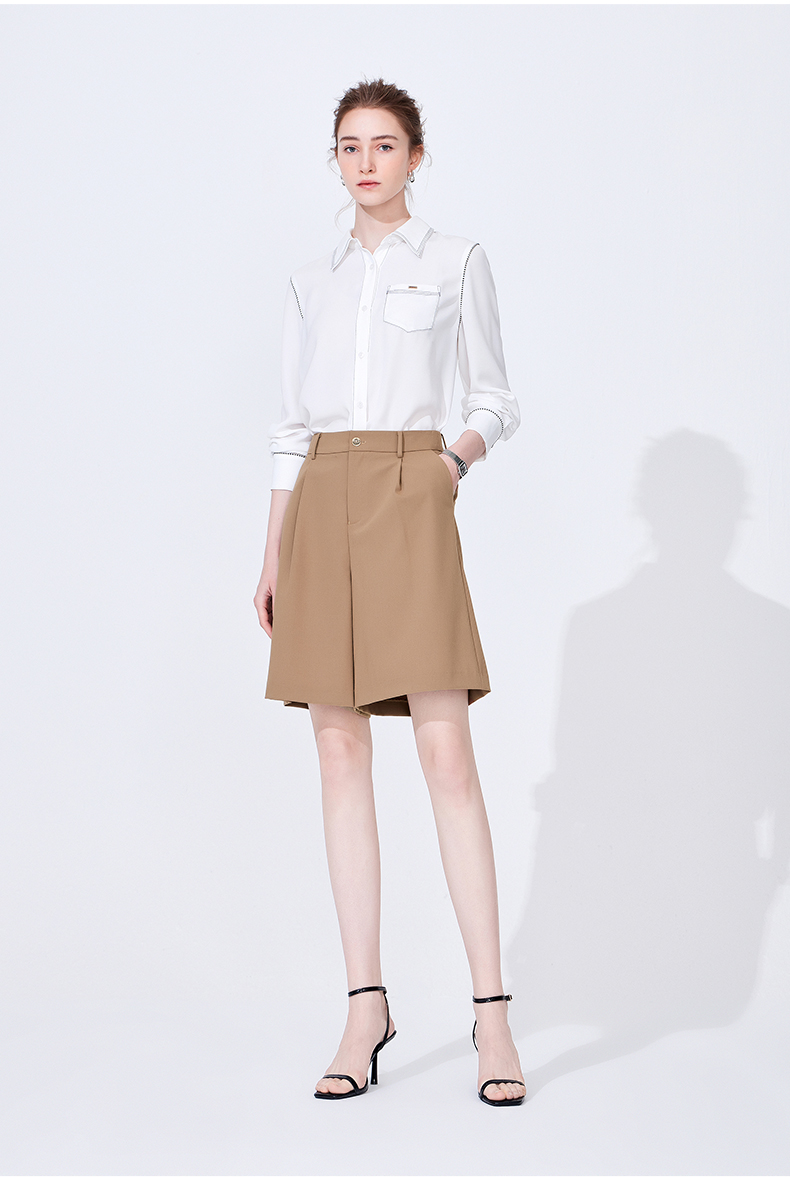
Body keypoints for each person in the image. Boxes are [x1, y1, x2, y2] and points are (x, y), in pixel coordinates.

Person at [253, 78, 526, 1106]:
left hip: (412, 491)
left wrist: (446, 467)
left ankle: (492, 1014)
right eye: (348, 146)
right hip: (321, 499)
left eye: (383, 144)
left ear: (416, 155)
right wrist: (272, 553)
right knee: (337, 752)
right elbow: (291, 427)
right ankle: (365, 1006)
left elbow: (495, 398)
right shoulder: (308, 281)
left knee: (445, 752)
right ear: (335, 160)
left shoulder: (456, 260)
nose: (365, 162)